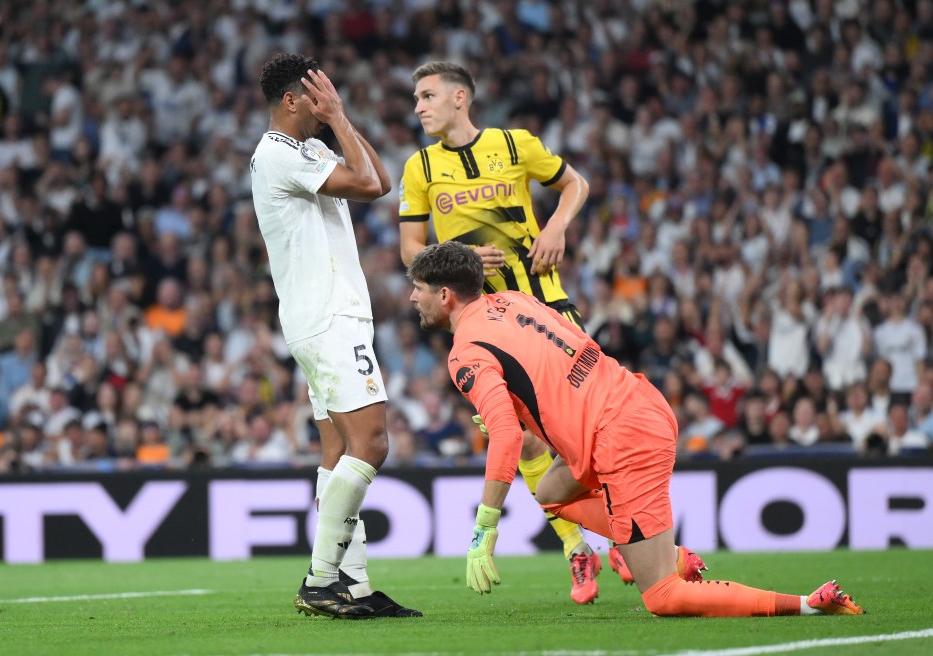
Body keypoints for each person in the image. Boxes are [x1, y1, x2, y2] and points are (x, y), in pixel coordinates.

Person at [407, 241, 864, 617]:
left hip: (620, 437)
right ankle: (669, 553)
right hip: (637, 400)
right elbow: (549, 379)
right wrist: (516, 412)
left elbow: (505, 437)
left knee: (663, 598)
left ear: (445, 295)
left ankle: (809, 605)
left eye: (419, 288)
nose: (412, 298)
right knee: (550, 491)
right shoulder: (516, 301)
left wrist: (483, 530)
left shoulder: (465, 351)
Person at [398, 60, 645, 604]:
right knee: (522, 434)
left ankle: (621, 529)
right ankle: (576, 548)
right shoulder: (419, 167)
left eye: (427, 95)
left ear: (461, 97)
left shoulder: (515, 146)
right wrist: (459, 258)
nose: (418, 107)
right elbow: (409, 252)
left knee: (588, 424)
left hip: (545, 303)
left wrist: (556, 224)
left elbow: (574, 184)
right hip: (486, 321)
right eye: (416, 98)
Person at [250, 53, 419, 619]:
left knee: (338, 449)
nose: (326, 101)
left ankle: (354, 583)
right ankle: (321, 580)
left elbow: (383, 178)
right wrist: (340, 118)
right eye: (315, 94)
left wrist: (340, 121)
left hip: (324, 315)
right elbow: (370, 187)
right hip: (328, 317)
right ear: (292, 100)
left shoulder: (311, 150)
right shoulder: (276, 153)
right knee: (372, 442)